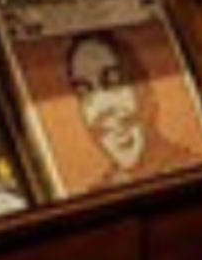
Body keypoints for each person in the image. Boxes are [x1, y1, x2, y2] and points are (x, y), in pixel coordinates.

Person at [64, 28, 193, 181]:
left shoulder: (193, 168)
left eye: (114, 82)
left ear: (148, 93)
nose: (102, 106)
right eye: (84, 92)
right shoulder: (100, 192)